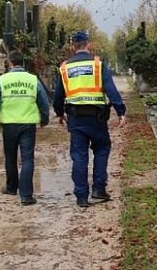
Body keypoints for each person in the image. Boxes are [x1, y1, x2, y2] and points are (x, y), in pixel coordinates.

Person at [53, 31, 126, 208]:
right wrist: (120, 111)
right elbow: (111, 89)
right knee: (101, 149)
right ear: (88, 45)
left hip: (76, 119)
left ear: (73, 47)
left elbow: (58, 95)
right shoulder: (98, 64)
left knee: (79, 156)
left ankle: (81, 196)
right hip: (97, 118)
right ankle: (99, 189)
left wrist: (59, 114)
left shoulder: (64, 68)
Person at [0, 50, 50, 205]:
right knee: (27, 159)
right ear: (23, 63)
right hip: (28, 124)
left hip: (9, 125)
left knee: (11, 157)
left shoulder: (2, 80)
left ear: (10, 63)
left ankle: (12, 187)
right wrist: (44, 118)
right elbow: (43, 102)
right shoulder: (33, 80)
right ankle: (26, 195)